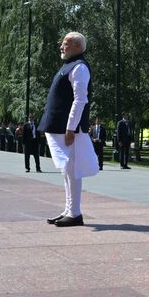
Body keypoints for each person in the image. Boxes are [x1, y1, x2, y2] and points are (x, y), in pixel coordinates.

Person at [39, 32, 99, 226]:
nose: (61, 47)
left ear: (76, 46)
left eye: (65, 44)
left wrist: (70, 128)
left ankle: (74, 213)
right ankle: (69, 209)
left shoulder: (79, 67)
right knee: (67, 170)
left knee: (71, 169)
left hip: (68, 129)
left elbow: (80, 100)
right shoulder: (69, 66)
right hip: (60, 126)